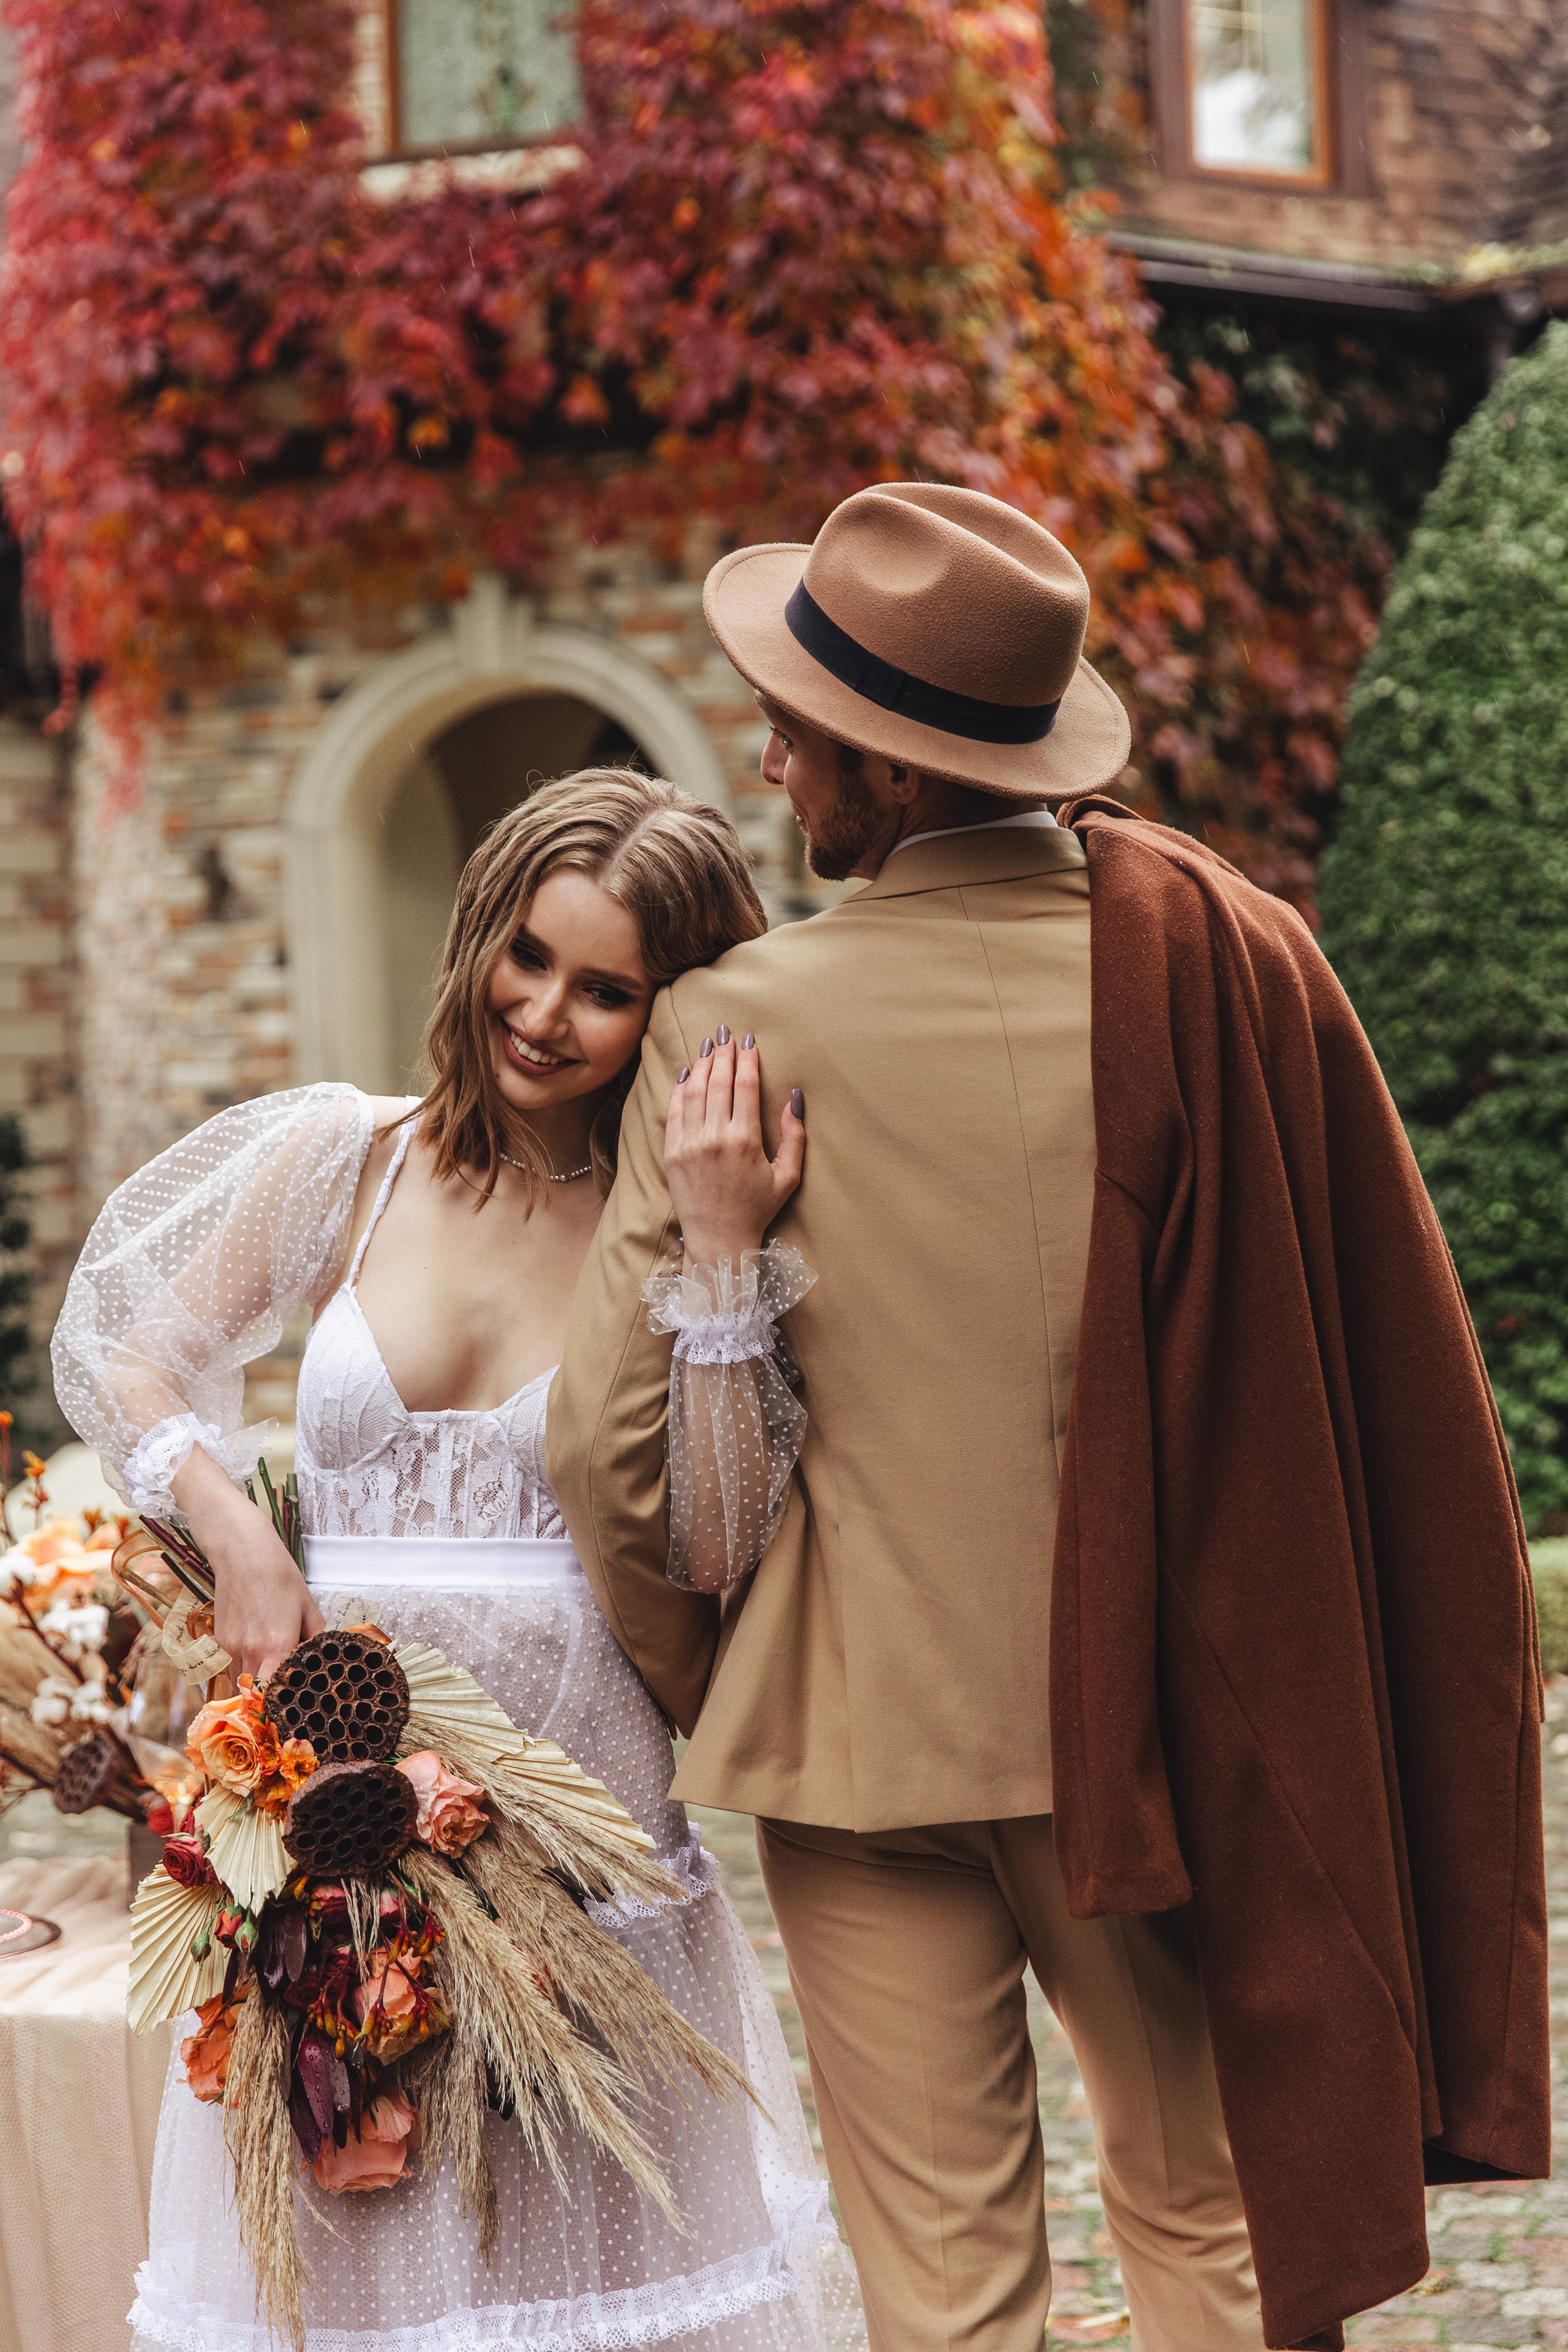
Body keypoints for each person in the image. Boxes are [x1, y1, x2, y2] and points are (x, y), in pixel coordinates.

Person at [548, 483, 1550, 2352]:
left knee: (948, 2294)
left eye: (800, 734)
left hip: (858, 1747)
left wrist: (733, 1674)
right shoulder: (1229, 975)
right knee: (1215, 2230)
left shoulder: (736, 1027)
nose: (770, 764)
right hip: (1158, 1731)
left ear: (896, 773)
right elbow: (1377, 1360)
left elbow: (610, 1463)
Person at [52, 770, 856, 2352]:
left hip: (580, 1817)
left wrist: (720, 1261)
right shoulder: (350, 1161)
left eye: (607, 989)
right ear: (480, 930)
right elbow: (124, 1356)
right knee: (354, 2235)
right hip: (332, 1799)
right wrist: (237, 1531)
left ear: (672, 1008)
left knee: (584, 2265)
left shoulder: (676, 1216)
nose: (544, 1014)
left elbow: (718, 1539)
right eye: (528, 956)